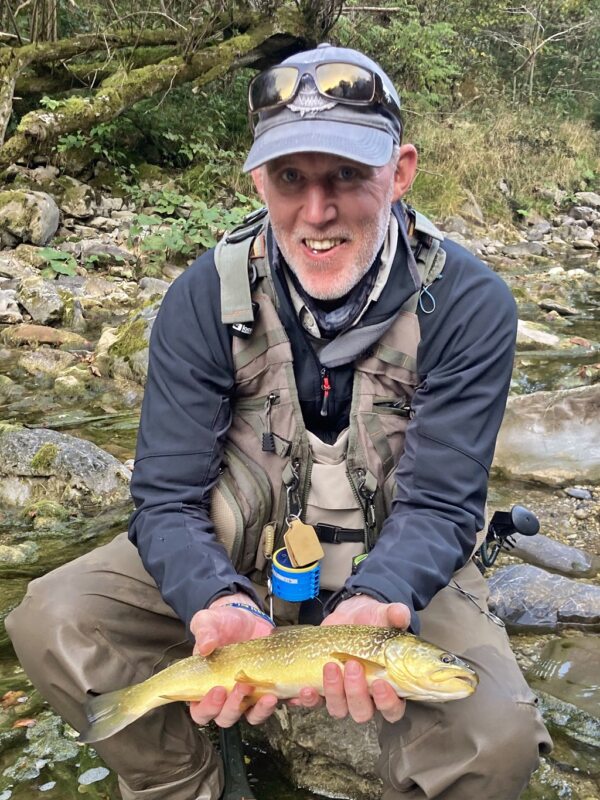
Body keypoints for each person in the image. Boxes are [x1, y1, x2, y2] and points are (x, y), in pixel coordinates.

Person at [6, 43, 551, 800]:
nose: (317, 211)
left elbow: (441, 504)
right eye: (291, 178)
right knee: (53, 618)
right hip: (245, 562)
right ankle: (191, 782)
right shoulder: (202, 298)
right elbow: (164, 501)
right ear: (259, 178)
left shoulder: (468, 303)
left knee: (496, 740)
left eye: (348, 176)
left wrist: (376, 605)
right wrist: (214, 600)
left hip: (395, 582)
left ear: (401, 172)